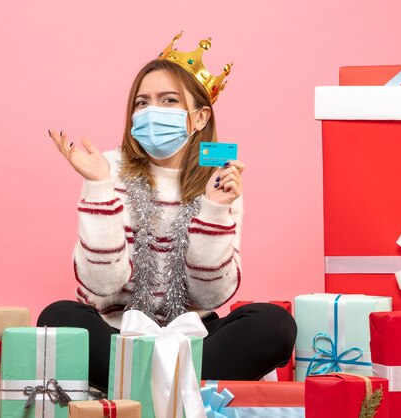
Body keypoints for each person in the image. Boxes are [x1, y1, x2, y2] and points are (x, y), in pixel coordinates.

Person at [38, 33, 297, 392]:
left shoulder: (220, 179)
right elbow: (102, 285)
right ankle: (178, 389)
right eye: (142, 103)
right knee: (57, 318)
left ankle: (137, 387)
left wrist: (214, 210)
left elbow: (210, 297)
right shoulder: (105, 167)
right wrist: (99, 187)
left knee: (275, 324)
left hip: (193, 336)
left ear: (200, 117)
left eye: (168, 100)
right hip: (117, 333)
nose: (151, 111)